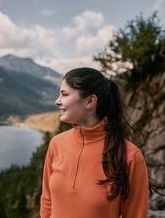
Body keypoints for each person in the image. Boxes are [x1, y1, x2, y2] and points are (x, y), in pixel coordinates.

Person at [40, 67, 149, 218]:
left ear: (90, 101)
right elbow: (47, 202)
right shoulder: (56, 144)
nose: (57, 101)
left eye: (64, 94)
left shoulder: (129, 156)